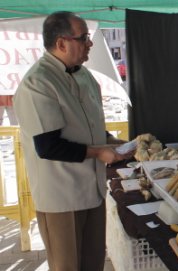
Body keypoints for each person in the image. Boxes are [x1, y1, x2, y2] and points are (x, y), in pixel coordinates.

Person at [13, 11, 130, 271]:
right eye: (84, 38)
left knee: (93, 262)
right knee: (67, 266)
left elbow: (89, 128)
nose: (90, 43)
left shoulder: (85, 77)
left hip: (93, 190)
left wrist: (111, 141)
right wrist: (100, 152)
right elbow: (48, 146)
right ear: (61, 43)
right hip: (61, 197)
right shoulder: (38, 83)